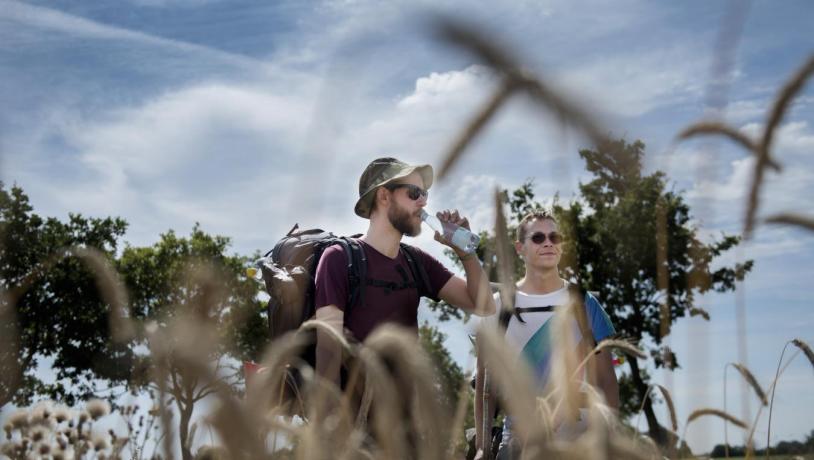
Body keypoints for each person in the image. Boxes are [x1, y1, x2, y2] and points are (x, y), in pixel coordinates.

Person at [314, 157, 496, 386]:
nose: (422, 202)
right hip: (355, 417)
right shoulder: (339, 258)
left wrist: (465, 253)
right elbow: (328, 351)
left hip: (408, 417)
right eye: (414, 193)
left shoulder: (417, 262)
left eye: (425, 194)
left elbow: (485, 306)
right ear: (383, 196)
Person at [474, 210, 619, 459]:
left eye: (555, 237)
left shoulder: (585, 303)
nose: (548, 242)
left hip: (580, 437)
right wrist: (482, 448)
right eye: (538, 238)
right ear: (520, 248)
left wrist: (610, 440)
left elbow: (607, 380)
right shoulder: (498, 307)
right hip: (519, 438)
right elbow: (484, 391)